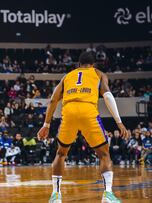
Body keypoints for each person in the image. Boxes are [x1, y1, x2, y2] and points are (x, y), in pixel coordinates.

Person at [37, 52, 128, 203]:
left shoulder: (68, 76)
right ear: (93, 65)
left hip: (69, 111)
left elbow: (53, 99)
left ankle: (56, 195)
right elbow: (107, 96)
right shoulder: (98, 73)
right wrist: (119, 122)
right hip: (88, 111)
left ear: (78, 65)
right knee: (104, 154)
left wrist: (46, 124)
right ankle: (107, 194)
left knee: (61, 154)